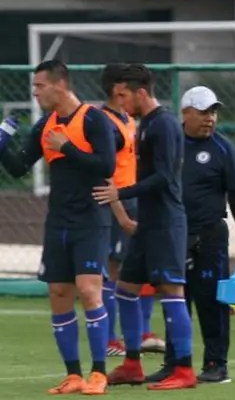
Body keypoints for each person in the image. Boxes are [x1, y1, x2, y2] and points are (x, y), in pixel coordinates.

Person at [0, 60, 119, 395]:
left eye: (39, 86)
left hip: (90, 220)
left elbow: (106, 165)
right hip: (58, 222)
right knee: (58, 294)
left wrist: (66, 147)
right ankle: (73, 375)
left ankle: (98, 373)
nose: (35, 93)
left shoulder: (94, 119)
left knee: (89, 289)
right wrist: (3, 144)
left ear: (60, 84)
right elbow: (20, 166)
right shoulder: (45, 125)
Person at [145, 86, 235, 384]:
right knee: (175, 301)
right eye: (204, 112)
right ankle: (175, 363)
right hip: (172, 236)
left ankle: (216, 364)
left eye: (214, 112)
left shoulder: (222, 148)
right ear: (186, 113)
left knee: (211, 303)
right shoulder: (170, 144)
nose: (210, 119)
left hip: (209, 237)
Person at [95, 64, 195, 390]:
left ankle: (184, 369)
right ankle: (132, 364)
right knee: (126, 287)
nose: (119, 101)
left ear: (140, 92)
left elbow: (165, 178)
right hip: (148, 222)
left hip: (166, 222)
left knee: (171, 290)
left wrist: (120, 194)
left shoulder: (164, 124)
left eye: (123, 95)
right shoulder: (144, 124)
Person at [96, 63, 141, 358]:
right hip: (116, 203)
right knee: (111, 269)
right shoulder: (104, 122)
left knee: (128, 268)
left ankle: (133, 334)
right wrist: (121, 213)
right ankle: (109, 338)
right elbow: (104, 172)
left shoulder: (127, 118)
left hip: (132, 197)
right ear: (116, 88)